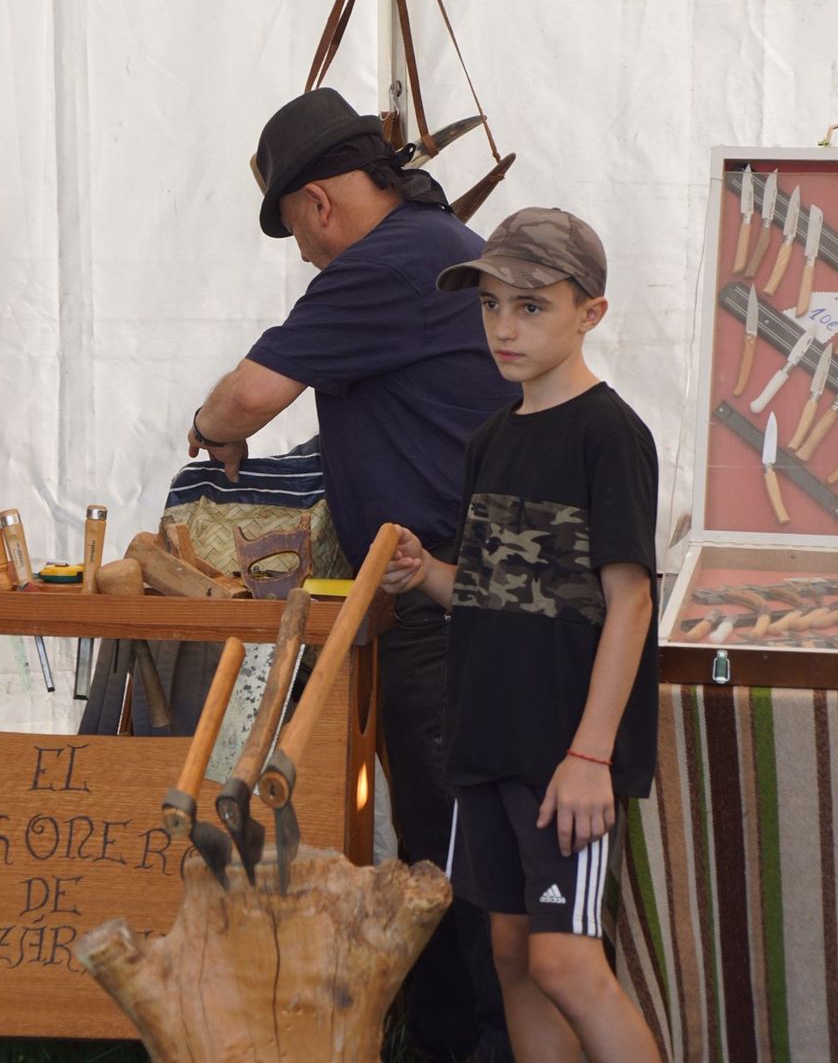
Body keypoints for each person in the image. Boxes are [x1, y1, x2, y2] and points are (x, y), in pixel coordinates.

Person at [184, 88, 518, 1060]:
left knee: (446, 854)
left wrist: (205, 433)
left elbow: (247, 398)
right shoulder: (444, 238)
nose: (304, 255)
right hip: (476, 591)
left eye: (296, 231)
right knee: (457, 841)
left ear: (320, 204)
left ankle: (464, 1046)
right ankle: (453, 1036)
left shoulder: (382, 265)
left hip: (442, 599)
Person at [380, 207, 662, 1062]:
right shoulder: (490, 440)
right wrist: (425, 572)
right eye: (492, 304)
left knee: (566, 961)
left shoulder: (611, 435)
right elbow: (502, 591)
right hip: (487, 745)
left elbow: (632, 602)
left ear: (592, 313)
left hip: (560, 757)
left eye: (532, 306)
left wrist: (590, 756)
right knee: (509, 955)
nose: (504, 326)